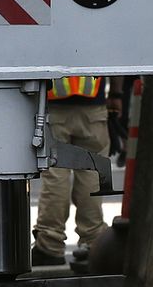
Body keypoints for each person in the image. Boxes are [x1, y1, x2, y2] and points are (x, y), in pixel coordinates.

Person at [32, 74, 117, 267]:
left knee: (55, 176)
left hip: (53, 107)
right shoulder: (96, 40)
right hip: (93, 109)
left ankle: (50, 244)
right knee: (91, 175)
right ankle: (93, 241)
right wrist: (117, 95)